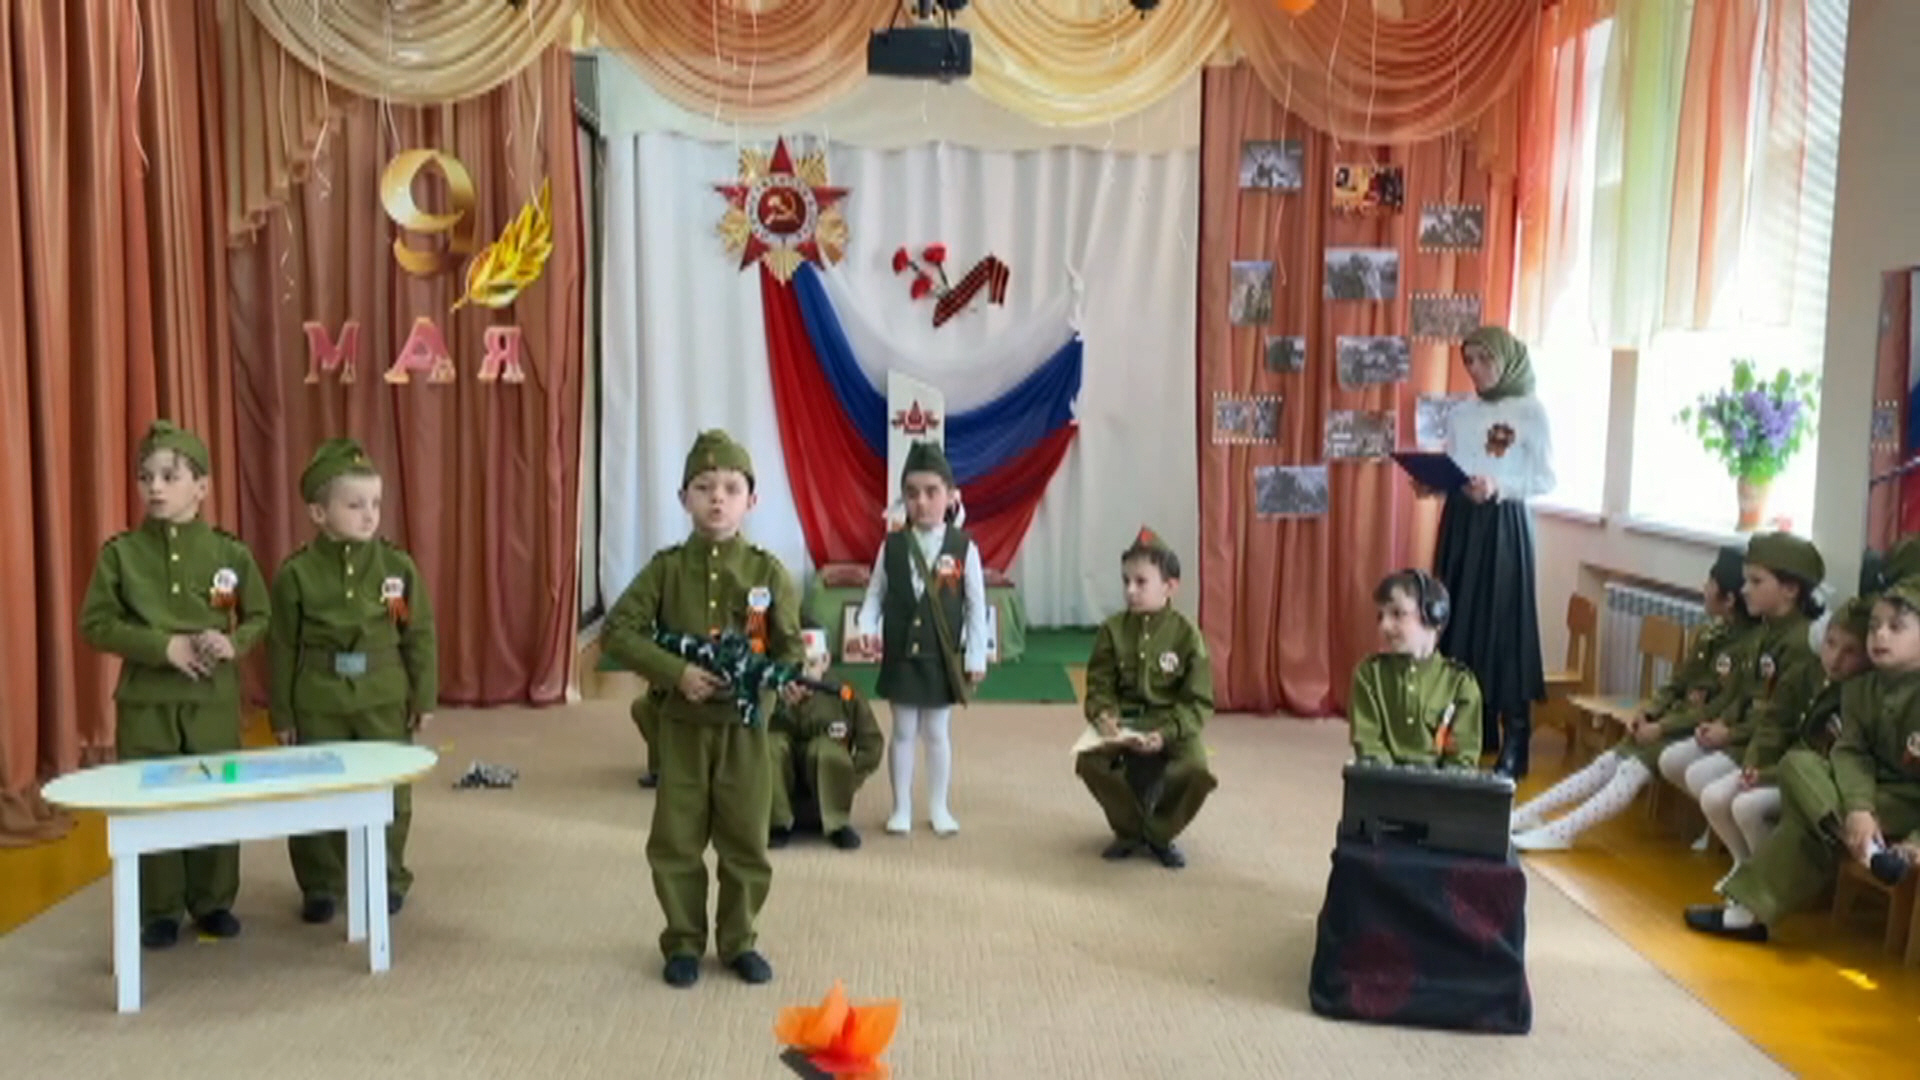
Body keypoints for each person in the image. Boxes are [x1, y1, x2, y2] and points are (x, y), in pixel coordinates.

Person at [603, 430, 802, 988]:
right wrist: (676, 673)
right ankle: (684, 942)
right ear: (683, 498)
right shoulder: (666, 570)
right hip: (684, 729)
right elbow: (619, 630)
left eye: (731, 488)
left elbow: (788, 650)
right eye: (704, 486)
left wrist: (777, 685)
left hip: (744, 732)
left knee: (746, 841)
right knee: (676, 841)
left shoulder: (767, 573)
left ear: (751, 501)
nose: (718, 497)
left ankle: (739, 941)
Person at [77, 420, 271, 949]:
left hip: (212, 700)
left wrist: (234, 642)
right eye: (145, 477)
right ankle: (159, 908)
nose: (155, 488)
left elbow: (259, 615)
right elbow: (95, 624)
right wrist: (163, 647)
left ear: (201, 486)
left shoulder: (230, 555)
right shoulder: (121, 555)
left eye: (170, 476)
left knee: (216, 796)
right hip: (147, 702)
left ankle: (213, 900)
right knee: (153, 800)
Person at [1506, 538, 1811, 852]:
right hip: (1675, 722)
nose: (1704, 588)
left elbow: (1725, 706)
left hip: (1690, 730)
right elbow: (1679, 681)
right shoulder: (1714, 634)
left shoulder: (1752, 644)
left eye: (1711, 583)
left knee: (1629, 770)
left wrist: (1663, 727)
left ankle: (1563, 831)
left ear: (1729, 599)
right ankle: (1527, 814)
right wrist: (1650, 712)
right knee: (1607, 762)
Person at [1686, 572, 1920, 943]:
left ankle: (1748, 915)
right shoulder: (1860, 689)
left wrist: (1914, 844)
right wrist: (1858, 810)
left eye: (1896, 627)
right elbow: (1850, 752)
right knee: (1799, 763)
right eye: (1875, 626)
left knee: (1805, 821)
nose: (1880, 636)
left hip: (1908, 803)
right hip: (1863, 797)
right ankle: (1863, 846)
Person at [269, 438, 438, 923]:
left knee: (390, 791)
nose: (369, 515)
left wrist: (423, 696)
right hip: (318, 699)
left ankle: (386, 877)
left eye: (375, 504)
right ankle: (321, 883)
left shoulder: (395, 569)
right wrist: (282, 714)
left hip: (382, 696)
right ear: (318, 513)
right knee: (315, 790)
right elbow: (281, 647)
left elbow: (418, 634)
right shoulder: (297, 574)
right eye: (355, 505)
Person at [1427, 326, 1556, 779]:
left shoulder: (1531, 411)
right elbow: (1457, 464)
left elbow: (1545, 479)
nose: (1476, 369)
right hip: (1462, 523)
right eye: (1470, 361)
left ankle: (1516, 733)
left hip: (1504, 525)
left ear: (1508, 360)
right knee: (1457, 619)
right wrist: (1435, 483)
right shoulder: (1462, 413)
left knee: (1505, 624)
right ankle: (1472, 726)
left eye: (1485, 359)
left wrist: (1499, 486)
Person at [853, 441, 988, 837]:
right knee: (902, 732)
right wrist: (866, 628)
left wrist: (975, 656)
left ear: (951, 496)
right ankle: (901, 808)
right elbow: (875, 594)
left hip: (939, 657)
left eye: (932, 492)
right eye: (912, 493)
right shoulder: (892, 546)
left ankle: (939, 806)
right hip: (901, 657)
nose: (922, 502)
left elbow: (975, 608)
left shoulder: (964, 548)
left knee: (937, 733)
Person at [1654, 533, 1827, 838]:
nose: (1745, 589)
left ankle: (1752, 859)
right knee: (1674, 762)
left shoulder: (1800, 644)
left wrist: (1733, 737)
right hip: (1747, 736)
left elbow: (1780, 718)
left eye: (1756, 581)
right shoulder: (1764, 633)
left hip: (1770, 749)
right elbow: (1742, 693)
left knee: (1714, 792)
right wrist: (1722, 722)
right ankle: (1734, 849)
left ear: (1790, 589)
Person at [1699, 597, 1870, 874]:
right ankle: (1744, 864)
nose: (1836, 659)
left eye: (1850, 652)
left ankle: (1766, 876)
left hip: (1810, 784)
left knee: (1747, 808)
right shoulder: (1806, 673)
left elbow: (1824, 762)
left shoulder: (1859, 696)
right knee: (1713, 797)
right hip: (1776, 767)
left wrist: (1766, 775)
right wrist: (1754, 764)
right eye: (1830, 644)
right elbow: (1774, 723)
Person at [1077, 527, 1216, 868]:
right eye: (1126, 581)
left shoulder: (1187, 635)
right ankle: (1129, 830)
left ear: (1169, 587)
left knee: (1197, 769)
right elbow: (1099, 686)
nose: (1130, 591)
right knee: (1089, 761)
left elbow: (1198, 702)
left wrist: (1166, 733)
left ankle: (1158, 832)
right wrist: (1105, 716)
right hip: (1123, 722)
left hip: (1169, 724)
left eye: (1141, 582)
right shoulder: (1112, 631)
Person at [1348, 569, 1482, 770]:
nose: (1384, 626)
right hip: (1383, 784)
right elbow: (1369, 747)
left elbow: (1462, 761)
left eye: (1397, 614)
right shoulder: (1369, 675)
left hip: (1442, 788)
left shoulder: (1461, 685)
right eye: (1380, 616)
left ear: (1433, 617)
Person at [768, 627, 883, 851]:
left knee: (825, 749)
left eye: (812, 664)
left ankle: (837, 824)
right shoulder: (771, 693)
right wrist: (778, 705)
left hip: (827, 790)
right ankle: (777, 824)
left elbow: (872, 744)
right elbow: (747, 740)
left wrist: (848, 779)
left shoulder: (845, 694)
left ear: (826, 661)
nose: (804, 673)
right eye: (796, 665)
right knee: (770, 745)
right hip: (779, 792)